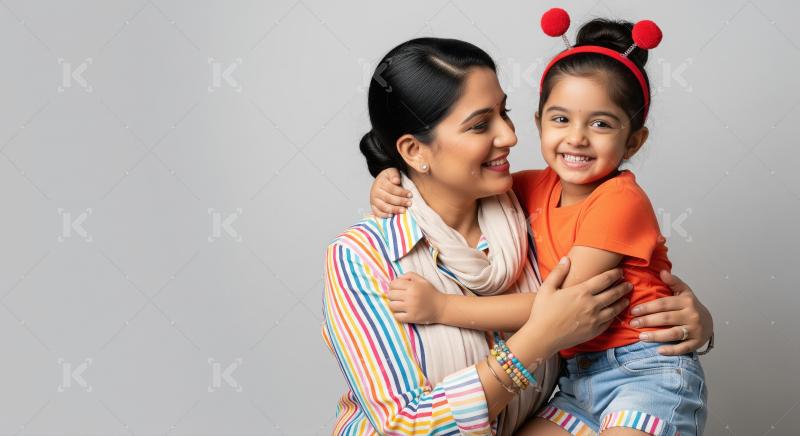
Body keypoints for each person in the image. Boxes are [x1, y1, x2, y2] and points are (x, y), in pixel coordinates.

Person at [326, 36, 713, 435]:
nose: (510, 136)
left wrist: (697, 322)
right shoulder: (365, 258)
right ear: (414, 152)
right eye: (480, 124)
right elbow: (407, 426)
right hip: (580, 385)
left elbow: (590, 294)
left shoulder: (518, 214)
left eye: (503, 112)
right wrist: (540, 337)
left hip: (628, 376)